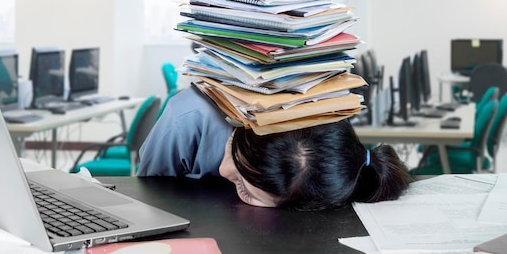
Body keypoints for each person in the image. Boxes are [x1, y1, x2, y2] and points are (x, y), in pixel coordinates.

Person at [137, 87, 412, 211]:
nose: (222, 170)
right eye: (233, 147)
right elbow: (151, 199)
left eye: (245, 189)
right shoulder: (186, 116)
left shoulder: (326, 145)